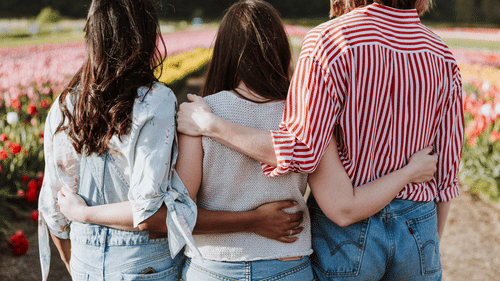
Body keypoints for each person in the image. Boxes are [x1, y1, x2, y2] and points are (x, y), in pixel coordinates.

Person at [58, 0, 436, 280]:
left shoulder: (200, 112)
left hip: (213, 266)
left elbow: (182, 208)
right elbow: (327, 190)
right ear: (280, 50)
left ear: (224, 50)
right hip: (290, 264)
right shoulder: (304, 114)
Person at [176, 0, 464, 280]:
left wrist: (211, 124)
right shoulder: (442, 53)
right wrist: (427, 244)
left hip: (350, 233)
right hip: (418, 227)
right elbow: (447, 171)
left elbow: (301, 147)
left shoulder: (331, 40)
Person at [37, 0, 199, 280]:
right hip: (143, 264)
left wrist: (78, 263)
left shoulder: (65, 105)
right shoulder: (154, 100)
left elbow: (54, 210)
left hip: (84, 262)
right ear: (145, 34)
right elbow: (145, 211)